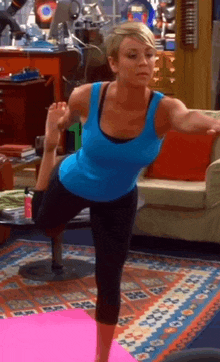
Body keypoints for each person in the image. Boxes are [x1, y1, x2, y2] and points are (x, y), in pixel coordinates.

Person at [32, 21, 220, 362]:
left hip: (118, 197)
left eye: (149, 55)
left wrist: (213, 123)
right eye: (133, 56)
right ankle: (47, 157)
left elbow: (191, 118)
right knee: (44, 225)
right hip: (74, 179)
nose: (144, 63)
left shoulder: (164, 109)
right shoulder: (86, 95)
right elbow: (67, 121)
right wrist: (54, 137)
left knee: (110, 280)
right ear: (114, 62)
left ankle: (101, 359)